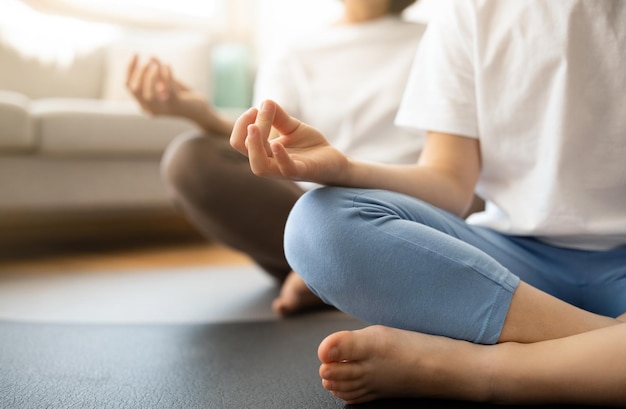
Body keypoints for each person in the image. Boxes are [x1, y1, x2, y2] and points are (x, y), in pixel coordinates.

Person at [230, 0, 626, 405]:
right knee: (318, 225)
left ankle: (465, 369)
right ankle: (603, 350)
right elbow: (450, 184)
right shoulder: (468, 12)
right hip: (511, 261)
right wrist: (344, 168)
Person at [125, 0, 426, 316]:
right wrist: (201, 114)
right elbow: (266, 140)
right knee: (190, 161)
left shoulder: (437, 41)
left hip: (410, 209)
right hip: (316, 211)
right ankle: (342, 268)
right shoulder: (293, 51)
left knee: (465, 197)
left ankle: (333, 272)